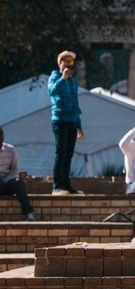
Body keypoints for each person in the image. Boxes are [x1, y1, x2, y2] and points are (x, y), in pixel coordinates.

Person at [48, 50, 84, 195]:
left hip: (72, 120)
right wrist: (62, 78)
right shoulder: (55, 77)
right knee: (60, 152)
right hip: (59, 120)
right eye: (66, 61)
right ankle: (57, 186)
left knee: (68, 154)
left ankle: (66, 185)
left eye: (71, 62)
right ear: (60, 63)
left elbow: (75, 103)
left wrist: (79, 124)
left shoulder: (73, 82)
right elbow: (51, 91)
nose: (68, 65)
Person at [0, 127, 35, 221]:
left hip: (7, 182)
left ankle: (29, 213)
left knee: (18, 181)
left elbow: (14, 170)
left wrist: (5, 181)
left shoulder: (11, 150)